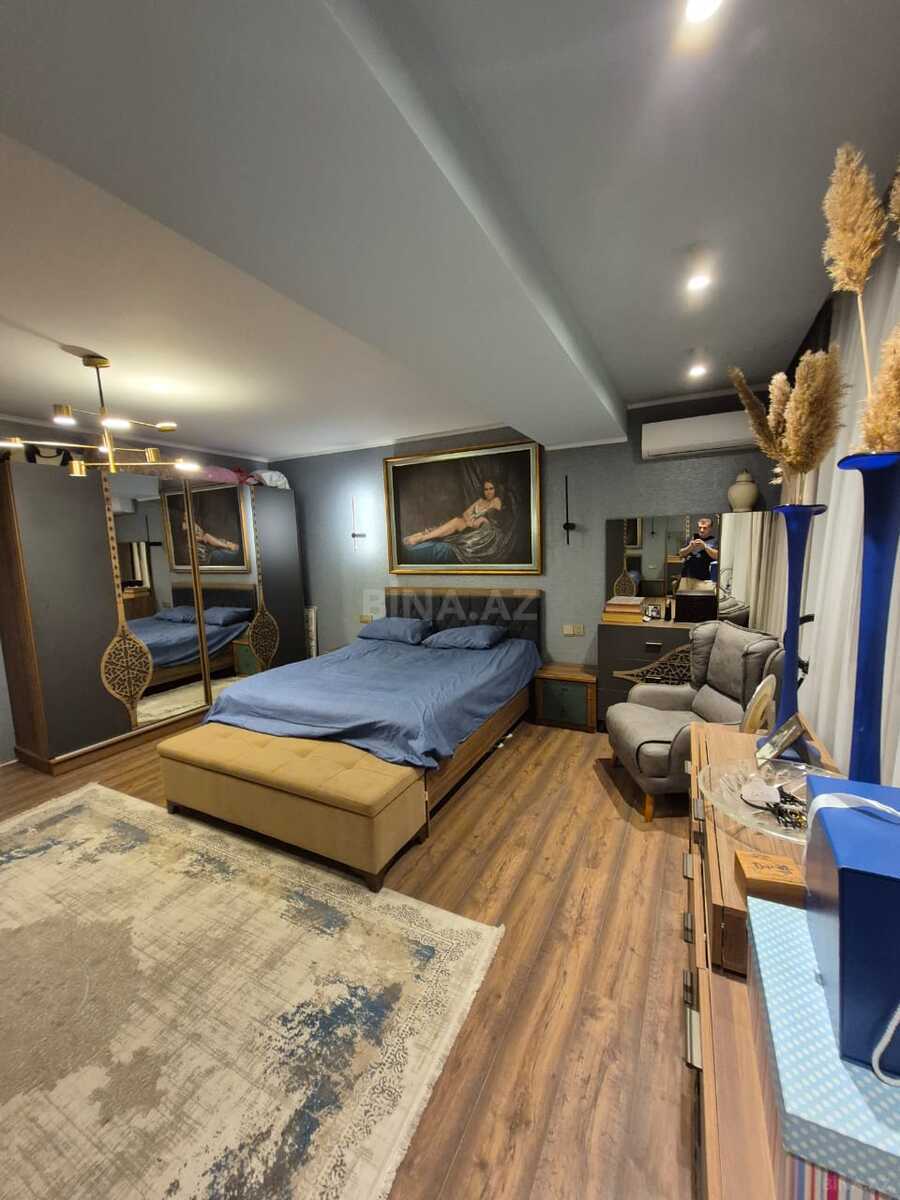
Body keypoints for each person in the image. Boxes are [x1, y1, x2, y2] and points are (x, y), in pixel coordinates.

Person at [403, 480, 503, 547]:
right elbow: (465, 513)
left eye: (491, 488)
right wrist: (469, 520)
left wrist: (474, 521)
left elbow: (490, 516)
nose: (488, 492)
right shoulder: (480, 500)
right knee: (449, 525)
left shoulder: (496, 500)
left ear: (495, 489)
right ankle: (420, 534)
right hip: (468, 524)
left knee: (455, 521)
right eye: (486, 489)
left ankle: (422, 538)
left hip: (479, 529)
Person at [677, 516, 718, 589]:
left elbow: (717, 556)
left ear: (710, 528)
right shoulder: (691, 539)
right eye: (700, 527)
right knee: (684, 595)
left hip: (706, 578)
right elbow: (681, 553)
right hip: (688, 576)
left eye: (705, 528)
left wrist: (705, 546)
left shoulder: (714, 541)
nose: (701, 530)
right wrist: (690, 547)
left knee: (703, 596)